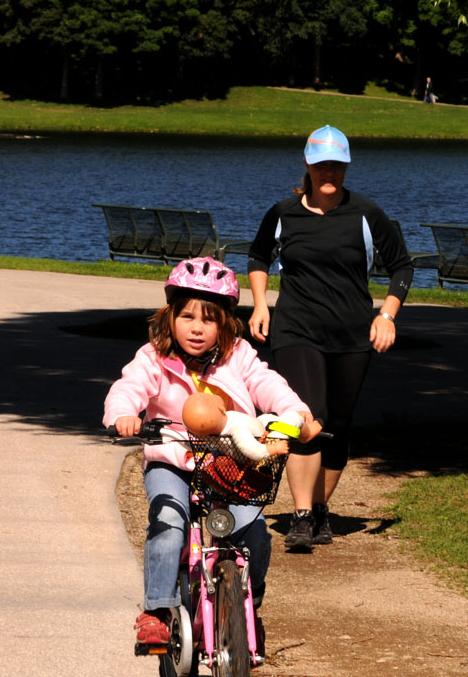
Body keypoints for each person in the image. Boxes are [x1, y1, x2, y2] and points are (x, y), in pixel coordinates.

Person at [103, 256, 312, 646]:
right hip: (173, 459)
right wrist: (124, 415)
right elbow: (128, 387)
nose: (197, 329)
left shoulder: (239, 356)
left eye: (209, 320)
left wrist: (295, 412)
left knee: (255, 533)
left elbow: (268, 383)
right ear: (170, 318)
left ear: (225, 324)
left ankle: (248, 597)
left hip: (230, 462)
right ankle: (158, 611)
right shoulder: (154, 358)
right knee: (168, 525)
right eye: (187, 317)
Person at [247, 125, 414, 551]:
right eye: (322, 165)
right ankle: (301, 517)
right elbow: (258, 255)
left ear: (346, 167)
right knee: (306, 419)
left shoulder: (365, 213)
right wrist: (262, 304)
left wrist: (387, 316)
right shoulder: (284, 213)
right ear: (307, 164)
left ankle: (321, 509)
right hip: (296, 329)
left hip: (351, 335)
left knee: (337, 426)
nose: (330, 173)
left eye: (338, 166)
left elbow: (402, 267)